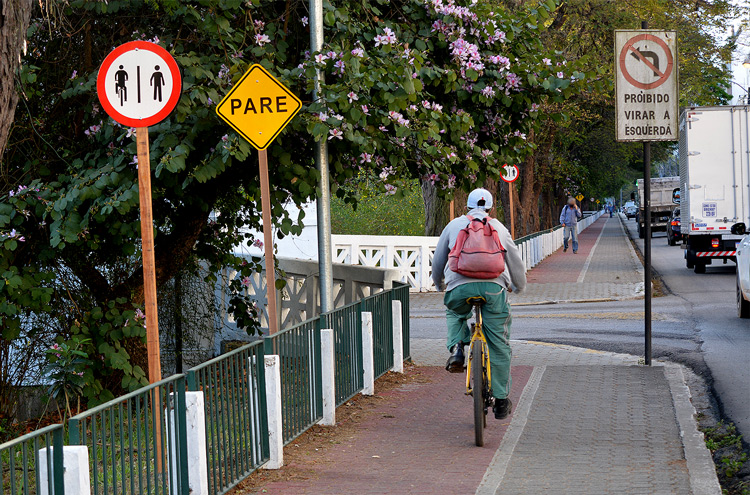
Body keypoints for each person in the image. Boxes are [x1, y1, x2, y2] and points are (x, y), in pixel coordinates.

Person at [431, 188, 527, 420]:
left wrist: (439, 284)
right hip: (493, 289)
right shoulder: (499, 228)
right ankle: (502, 399)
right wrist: (518, 286)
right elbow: (515, 261)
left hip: (459, 286)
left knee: (455, 312)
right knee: (499, 344)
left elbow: (438, 260)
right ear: (491, 207)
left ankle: (456, 348)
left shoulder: (454, 225)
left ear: (467, 206)